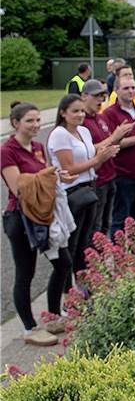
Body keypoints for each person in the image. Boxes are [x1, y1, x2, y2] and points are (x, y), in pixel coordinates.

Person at [2, 102, 76, 346]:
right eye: (29, 121)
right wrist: (48, 175)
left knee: (63, 262)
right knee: (26, 273)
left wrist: (56, 176)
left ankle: (54, 316)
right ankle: (29, 328)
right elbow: (19, 187)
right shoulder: (7, 151)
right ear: (15, 124)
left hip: (44, 216)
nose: (35, 125)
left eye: (37, 120)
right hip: (21, 219)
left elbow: (43, 176)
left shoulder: (37, 147)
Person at [47, 94, 120, 288]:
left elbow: (89, 164)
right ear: (63, 113)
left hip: (89, 187)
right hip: (72, 192)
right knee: (73, 242)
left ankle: (84, 286)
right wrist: (98, 159)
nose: (80, 115)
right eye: (75, 111)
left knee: (85, 241)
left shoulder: (84, 131)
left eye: (81, 111)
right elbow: (69, 167)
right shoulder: (60, 134)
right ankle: (67, 290)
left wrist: (102, 157)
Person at [103, 76, 135, 235]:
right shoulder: (110, 114)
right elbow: (112, 143)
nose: (131, 91)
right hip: (123, 174)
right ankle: (119, 257)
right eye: (126, 88)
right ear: (116, 90)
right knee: (120, 218)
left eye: (133, 87)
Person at [80, 80, 132, 237]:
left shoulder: (99, 118)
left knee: (105, 224)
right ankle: (91, 259)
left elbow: (108, 142)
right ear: (84, 96)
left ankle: (102, 257)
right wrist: (114, 137)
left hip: (109, 176)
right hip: (96, 179)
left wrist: (119, 136)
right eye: (96, 96)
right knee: (94, 226)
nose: (100, 100)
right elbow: (88, 149)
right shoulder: (81, 122)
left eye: (102, 95)